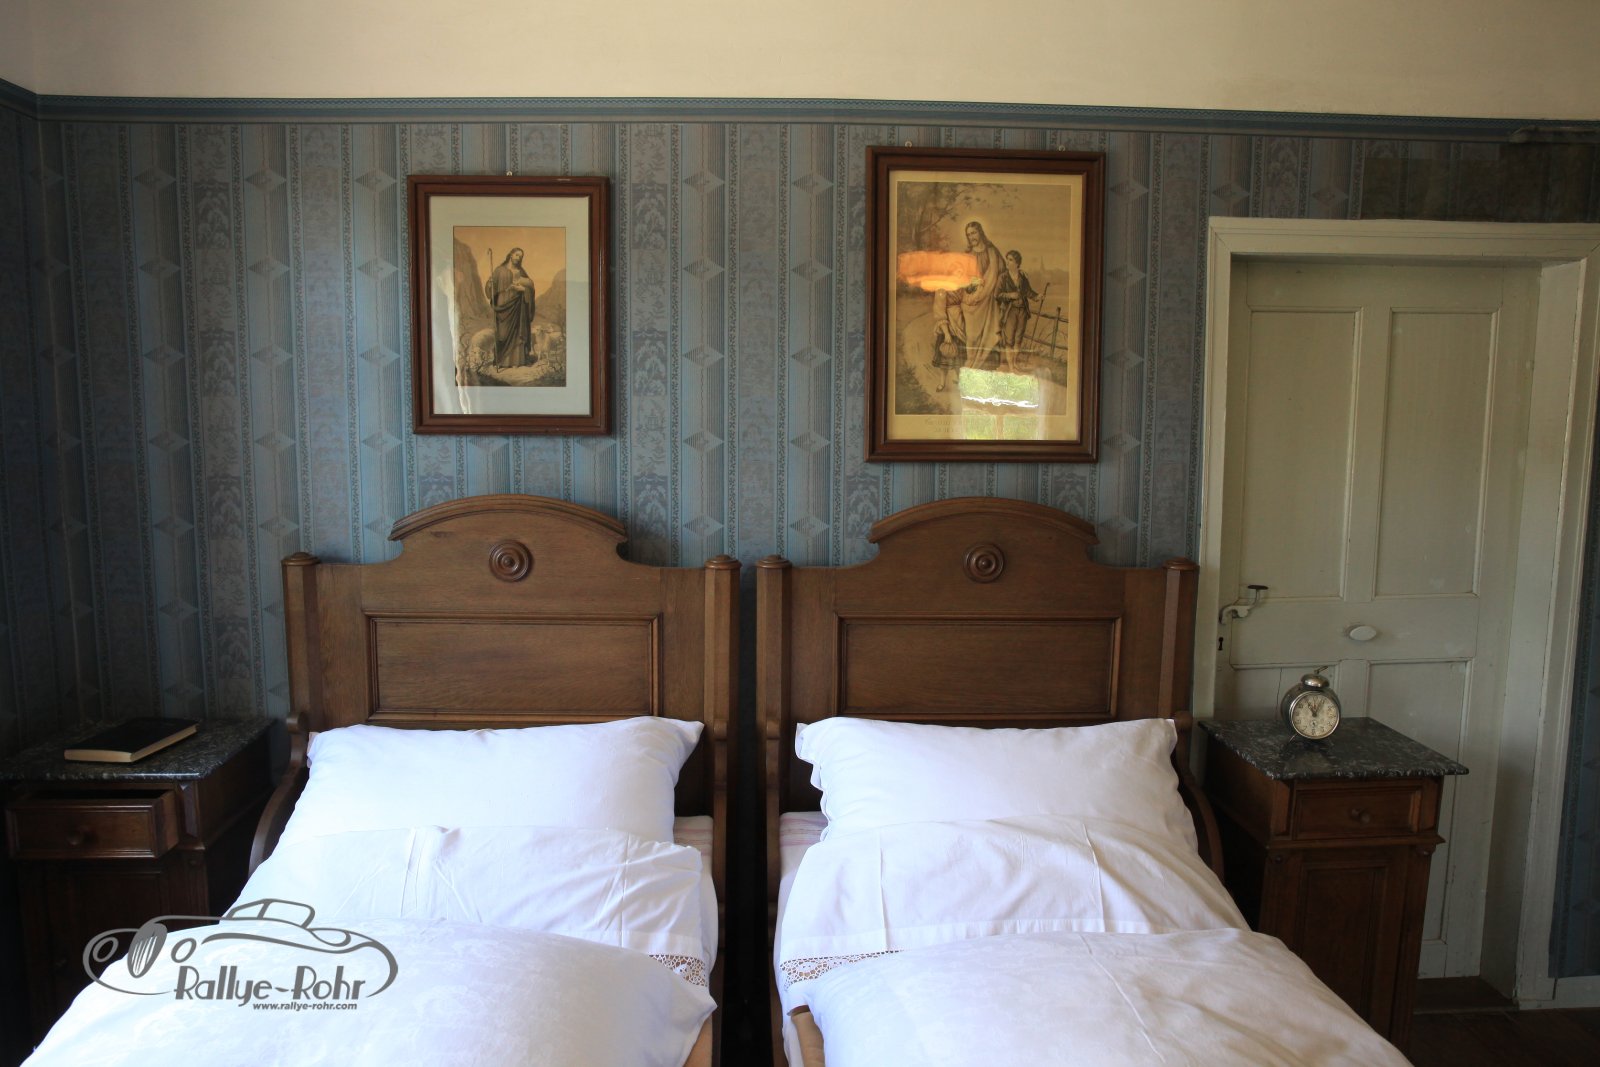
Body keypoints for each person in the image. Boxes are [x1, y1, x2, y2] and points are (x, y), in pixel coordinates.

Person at [485, 248, 537, 369]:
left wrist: (523, 289)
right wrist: (489, 284)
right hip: (503, 306)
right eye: (517, 255)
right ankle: (502, 361)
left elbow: (530, 288)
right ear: (511, 255)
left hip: (518, 306)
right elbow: (491, 291)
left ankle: (517, 362)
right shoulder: (499, 271)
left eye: (521, 256)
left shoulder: (521, 272)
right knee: (502, 333)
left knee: (517, 332)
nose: (518, 258)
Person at [995, 250, 1037, 371]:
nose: (1007, 262)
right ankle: (1011, 366)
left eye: (1010, 260)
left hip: (1022, 311)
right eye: (1007, 259)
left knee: (1019, 339)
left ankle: (1015, 363)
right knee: (1009, 340)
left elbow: (1028, 291)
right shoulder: (1003, 277)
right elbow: (997, 295)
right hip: (1010, 311)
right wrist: (1010, 295)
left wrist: (1037, 297)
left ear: (1017, 263)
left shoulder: (1023, 277)